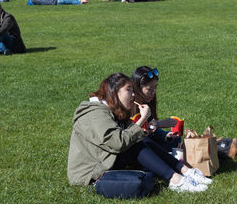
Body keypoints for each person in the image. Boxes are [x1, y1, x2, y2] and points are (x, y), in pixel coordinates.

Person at [67, 73, 213, 193]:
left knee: (140, 140)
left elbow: (131, 134)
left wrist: (150, 129)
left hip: (105, 158)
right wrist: (142, 118)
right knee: (136, 145)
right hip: (90, 172)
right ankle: (176, 180)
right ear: (114, 93)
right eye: (128, 90)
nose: (133, 95)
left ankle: (185, 171)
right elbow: (118, 143)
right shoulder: (95, 113)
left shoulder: (111, 110)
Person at [131, 66, 181, 153]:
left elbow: (151, 131)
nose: (153, 92)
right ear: (137, 88)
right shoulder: (131, 106)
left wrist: (166, 135)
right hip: (136, 146)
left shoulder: (146, 102)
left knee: (175, 140)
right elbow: (134, 136)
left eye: (155, 87)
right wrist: (158, 124)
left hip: (147, 139)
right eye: (150, 89)